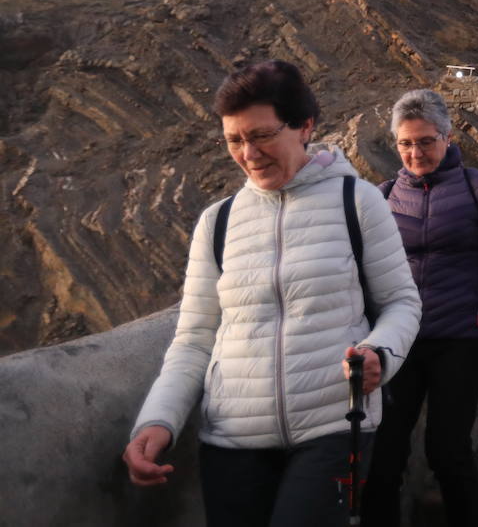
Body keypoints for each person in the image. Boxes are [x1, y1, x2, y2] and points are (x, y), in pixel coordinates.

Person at [123, 60, 421, 527]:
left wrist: (379, 352)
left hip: (334, 427)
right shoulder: (216, 223)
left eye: (261, 135)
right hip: (231, 440)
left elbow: (402, 302)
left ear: (305, 127)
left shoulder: (357, 201)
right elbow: (195, 338)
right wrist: (157, 421)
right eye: (234, 141)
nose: (248, 153)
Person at [362, 90, 478, 527]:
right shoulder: (383, 198)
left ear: (447, 137)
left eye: (425, 141)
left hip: (460, 334)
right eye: (405, 143)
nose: (415, 152)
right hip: (398, 342)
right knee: (383, 452)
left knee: (448, 450)